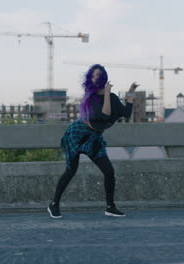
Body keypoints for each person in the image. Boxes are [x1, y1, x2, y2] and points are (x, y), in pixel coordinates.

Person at [47, 64, 139, 219]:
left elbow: (126, 113)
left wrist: (130, 94)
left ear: (104, 76)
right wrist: (107, 92)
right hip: (77, 135)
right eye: (93, 75)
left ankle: (110, 207)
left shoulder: (112, 97)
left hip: (94, 138)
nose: (96, 77)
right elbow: (104, 115)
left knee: (109, 171)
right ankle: (54, 204)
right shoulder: (91, 97)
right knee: (71, 170)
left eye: (98, 75)